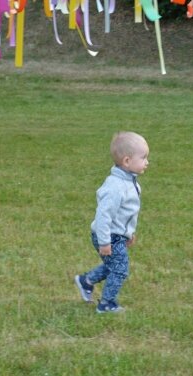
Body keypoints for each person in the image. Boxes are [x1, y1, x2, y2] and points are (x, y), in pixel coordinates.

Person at [74, 131, 149, 313]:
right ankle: (106, 303)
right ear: (127, 161)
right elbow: (103, 216)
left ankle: (87, 281)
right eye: (144, 157)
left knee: (113, 266)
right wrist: (105, 241)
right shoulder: (115, 187)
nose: (147, 161)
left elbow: (126, 214)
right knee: (120, 270)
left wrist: (128, 234)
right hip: (108, 236)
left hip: (117, 236)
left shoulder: (131, 182)